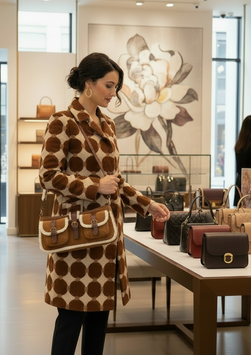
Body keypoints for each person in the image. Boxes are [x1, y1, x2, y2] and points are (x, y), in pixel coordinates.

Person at [38, 52, 171, 355]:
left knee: (100, 317)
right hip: (77, 235)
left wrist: (147, 205)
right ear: (88, 83)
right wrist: (93, 186)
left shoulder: (108, 125)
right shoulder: (62, 122)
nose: (113, 94)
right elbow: (47, 176)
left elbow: (115, 181)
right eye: (109, 86)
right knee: (71, 315)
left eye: (115, 87)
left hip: (107, 235)